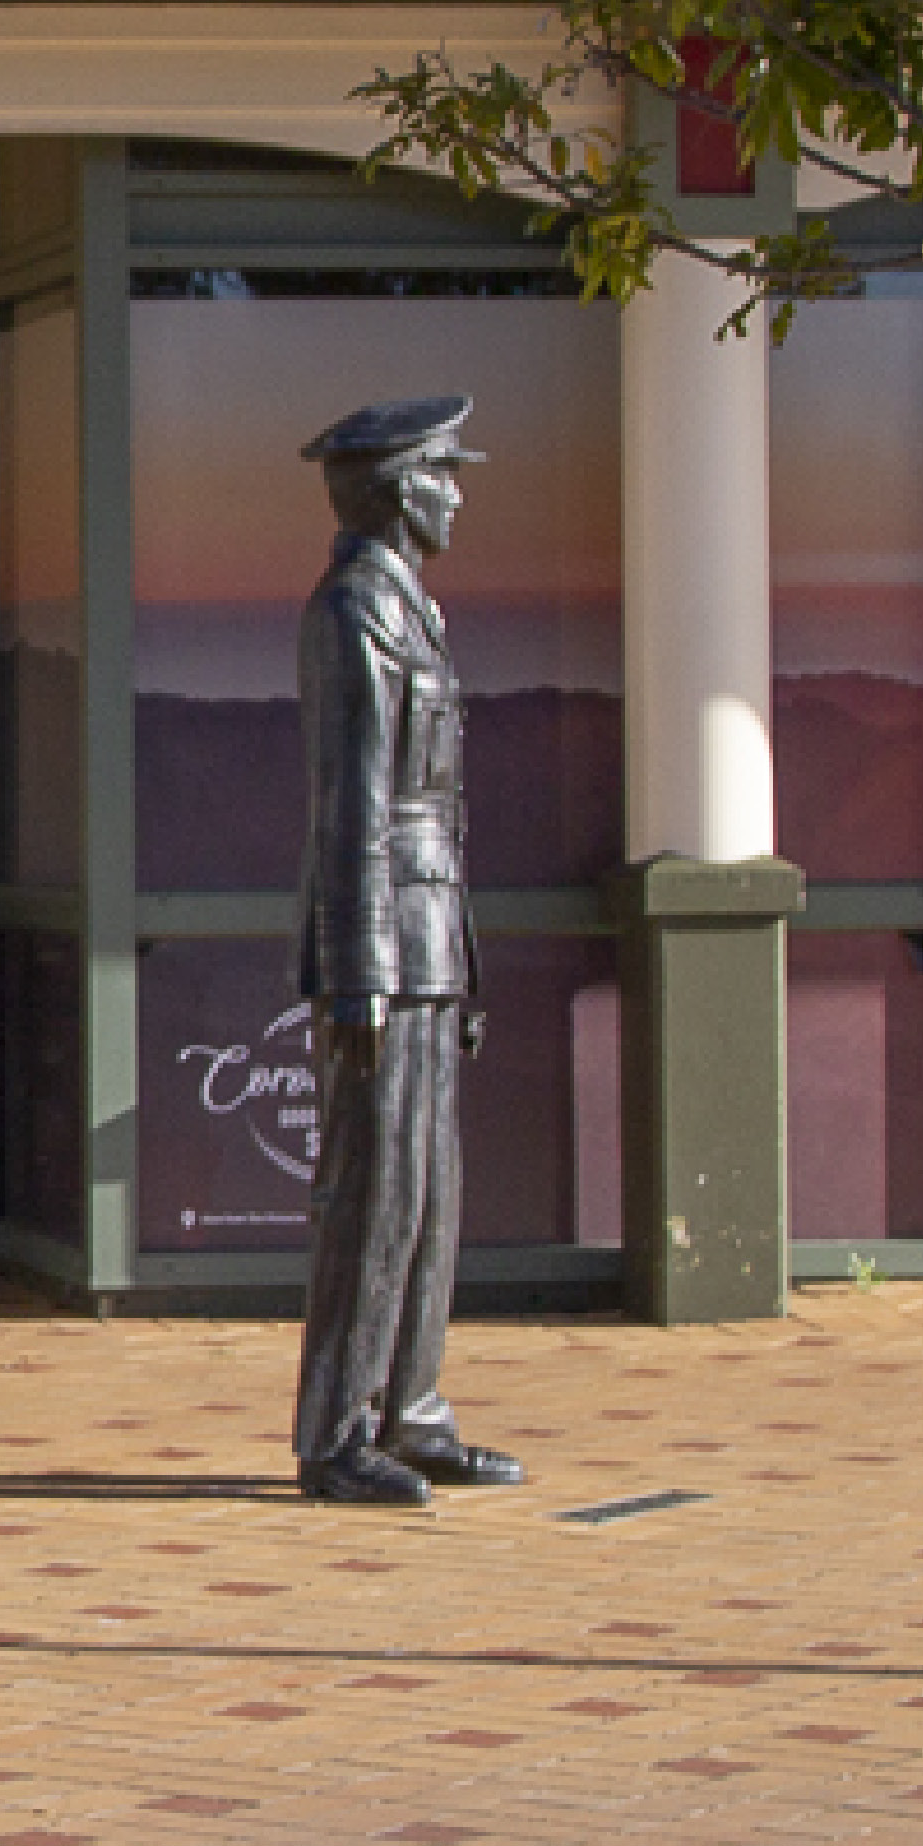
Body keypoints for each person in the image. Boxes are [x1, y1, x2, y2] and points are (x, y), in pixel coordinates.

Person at [291, 394, 524, 1507]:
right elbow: (353, 809)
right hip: (383, 945)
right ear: (395, 490)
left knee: (430, 1186)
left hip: (428, 939)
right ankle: (334, 1433)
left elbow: (444, 810)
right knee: (370, 1193)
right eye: (443, 474)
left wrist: (457, 961)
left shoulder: (408, 608)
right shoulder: (351, 612)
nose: (458, 494)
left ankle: (411, 1409)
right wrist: (357, 969)